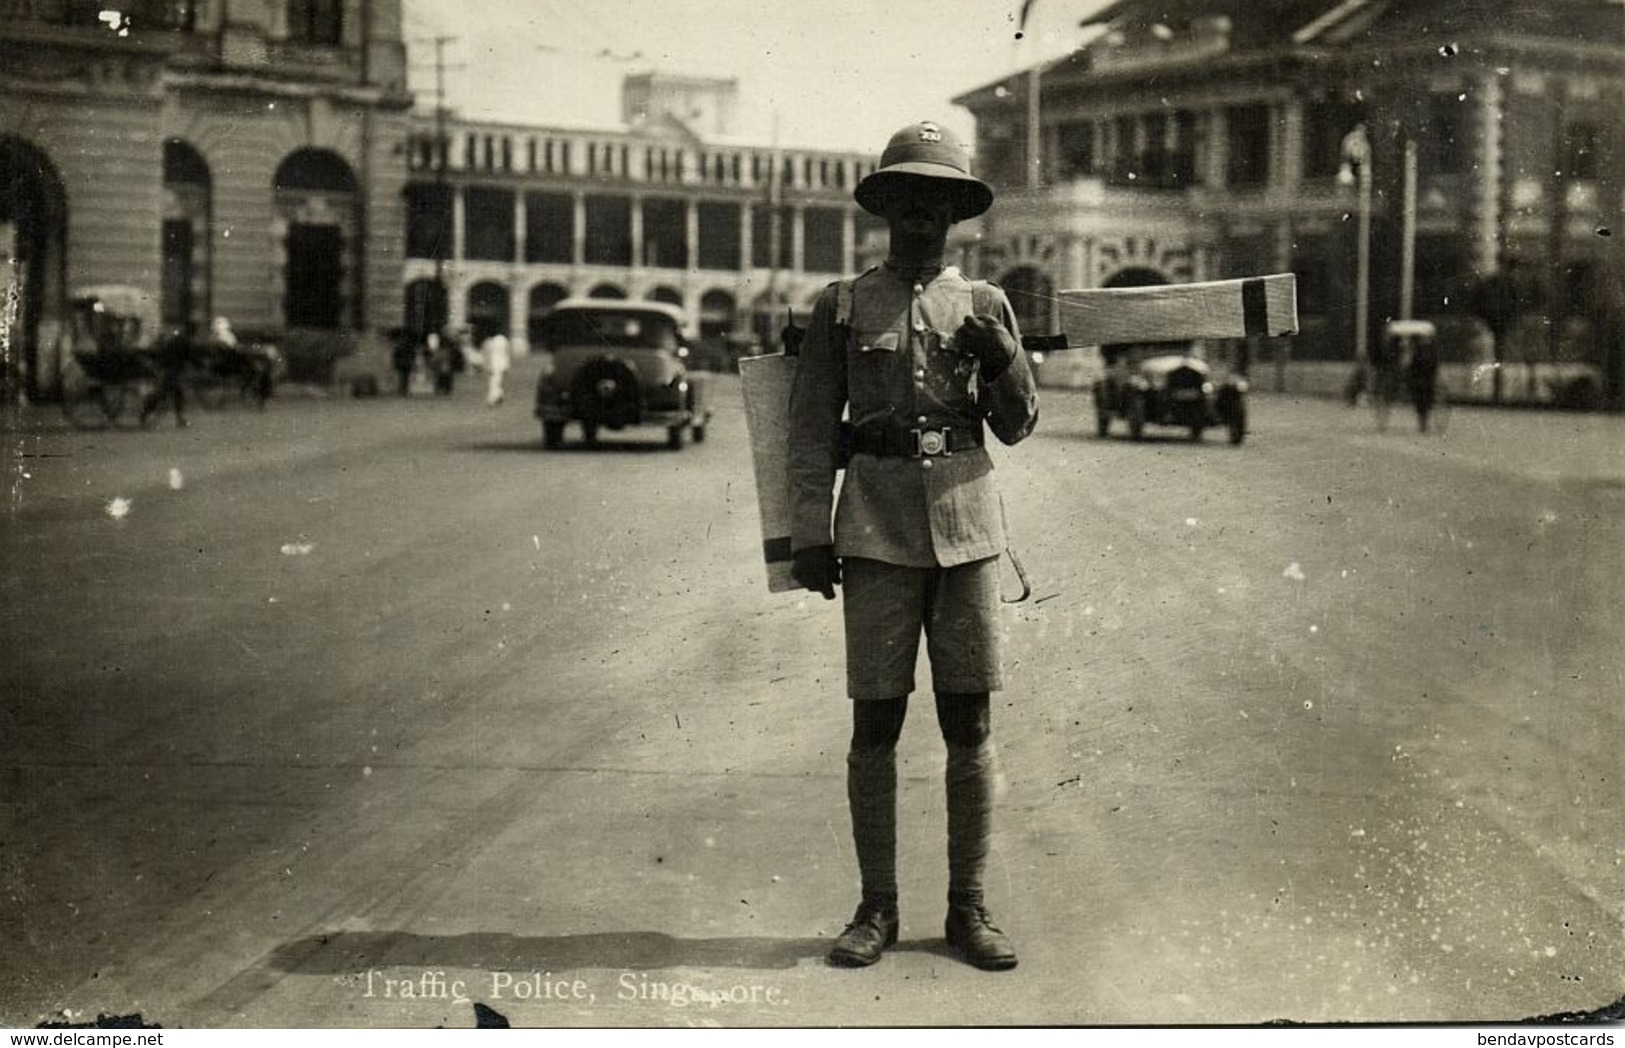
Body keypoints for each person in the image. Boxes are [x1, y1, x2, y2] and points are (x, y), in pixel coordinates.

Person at [787, 120, 1039, 972]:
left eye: (941, 202)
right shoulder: (843, 304)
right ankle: (876, 906)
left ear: (958, 213)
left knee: (968, 718)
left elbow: (1019, 425)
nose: (924, 217)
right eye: (909, 200)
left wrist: (1002, 357)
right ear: (886, 207)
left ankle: (967, 907)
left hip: (966, 529)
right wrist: (809, 533)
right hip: (875, 530)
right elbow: (810, 430)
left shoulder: (987, 304)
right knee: (876, 720)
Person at [480, 330, 511, 407]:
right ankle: (498, 396)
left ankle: (492, 399)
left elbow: (488, 353)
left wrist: (487, 364)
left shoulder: (490, 342)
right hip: (501, 363)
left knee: (493, 382)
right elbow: (507, 353)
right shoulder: (504, 340)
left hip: (494, 363)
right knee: (497, 381)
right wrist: (507, 364)